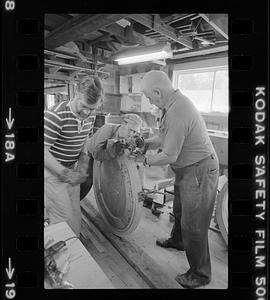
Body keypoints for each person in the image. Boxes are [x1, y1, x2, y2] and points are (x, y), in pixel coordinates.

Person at [139, 70, 219, 289]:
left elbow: (169, 155)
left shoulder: (178, 110)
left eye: (149, 96)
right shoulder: (169, 107)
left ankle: (200, 274)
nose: (149, 101)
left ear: (157, 91)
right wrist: (145, 143)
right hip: (187, 169)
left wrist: (145, 160)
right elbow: (163, 138)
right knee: (181, 212)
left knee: (195, 224)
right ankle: (179, 241)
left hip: (199, 170)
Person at [44, 76, 104, 236]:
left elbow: (85, 137)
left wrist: (84, 159)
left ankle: (75, 249)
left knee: (75, 211)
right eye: (84, 106)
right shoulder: (55, 115)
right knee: (62, 217)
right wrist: (64, 173)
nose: (87, 113)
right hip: (52, 172)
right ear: (76, 95)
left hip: (72, 168)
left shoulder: (90, 115)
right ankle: (62, 255)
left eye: (92, 108)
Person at [82, 113, 145, 188]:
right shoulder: (107, 129)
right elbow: (96, 154)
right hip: (88, 156)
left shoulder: (127, 138)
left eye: (135, 132)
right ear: (123, 124)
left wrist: (135, 148)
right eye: (130, 130)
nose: (131, 134)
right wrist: (113, 150)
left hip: (103, 159)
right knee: (87, 183)